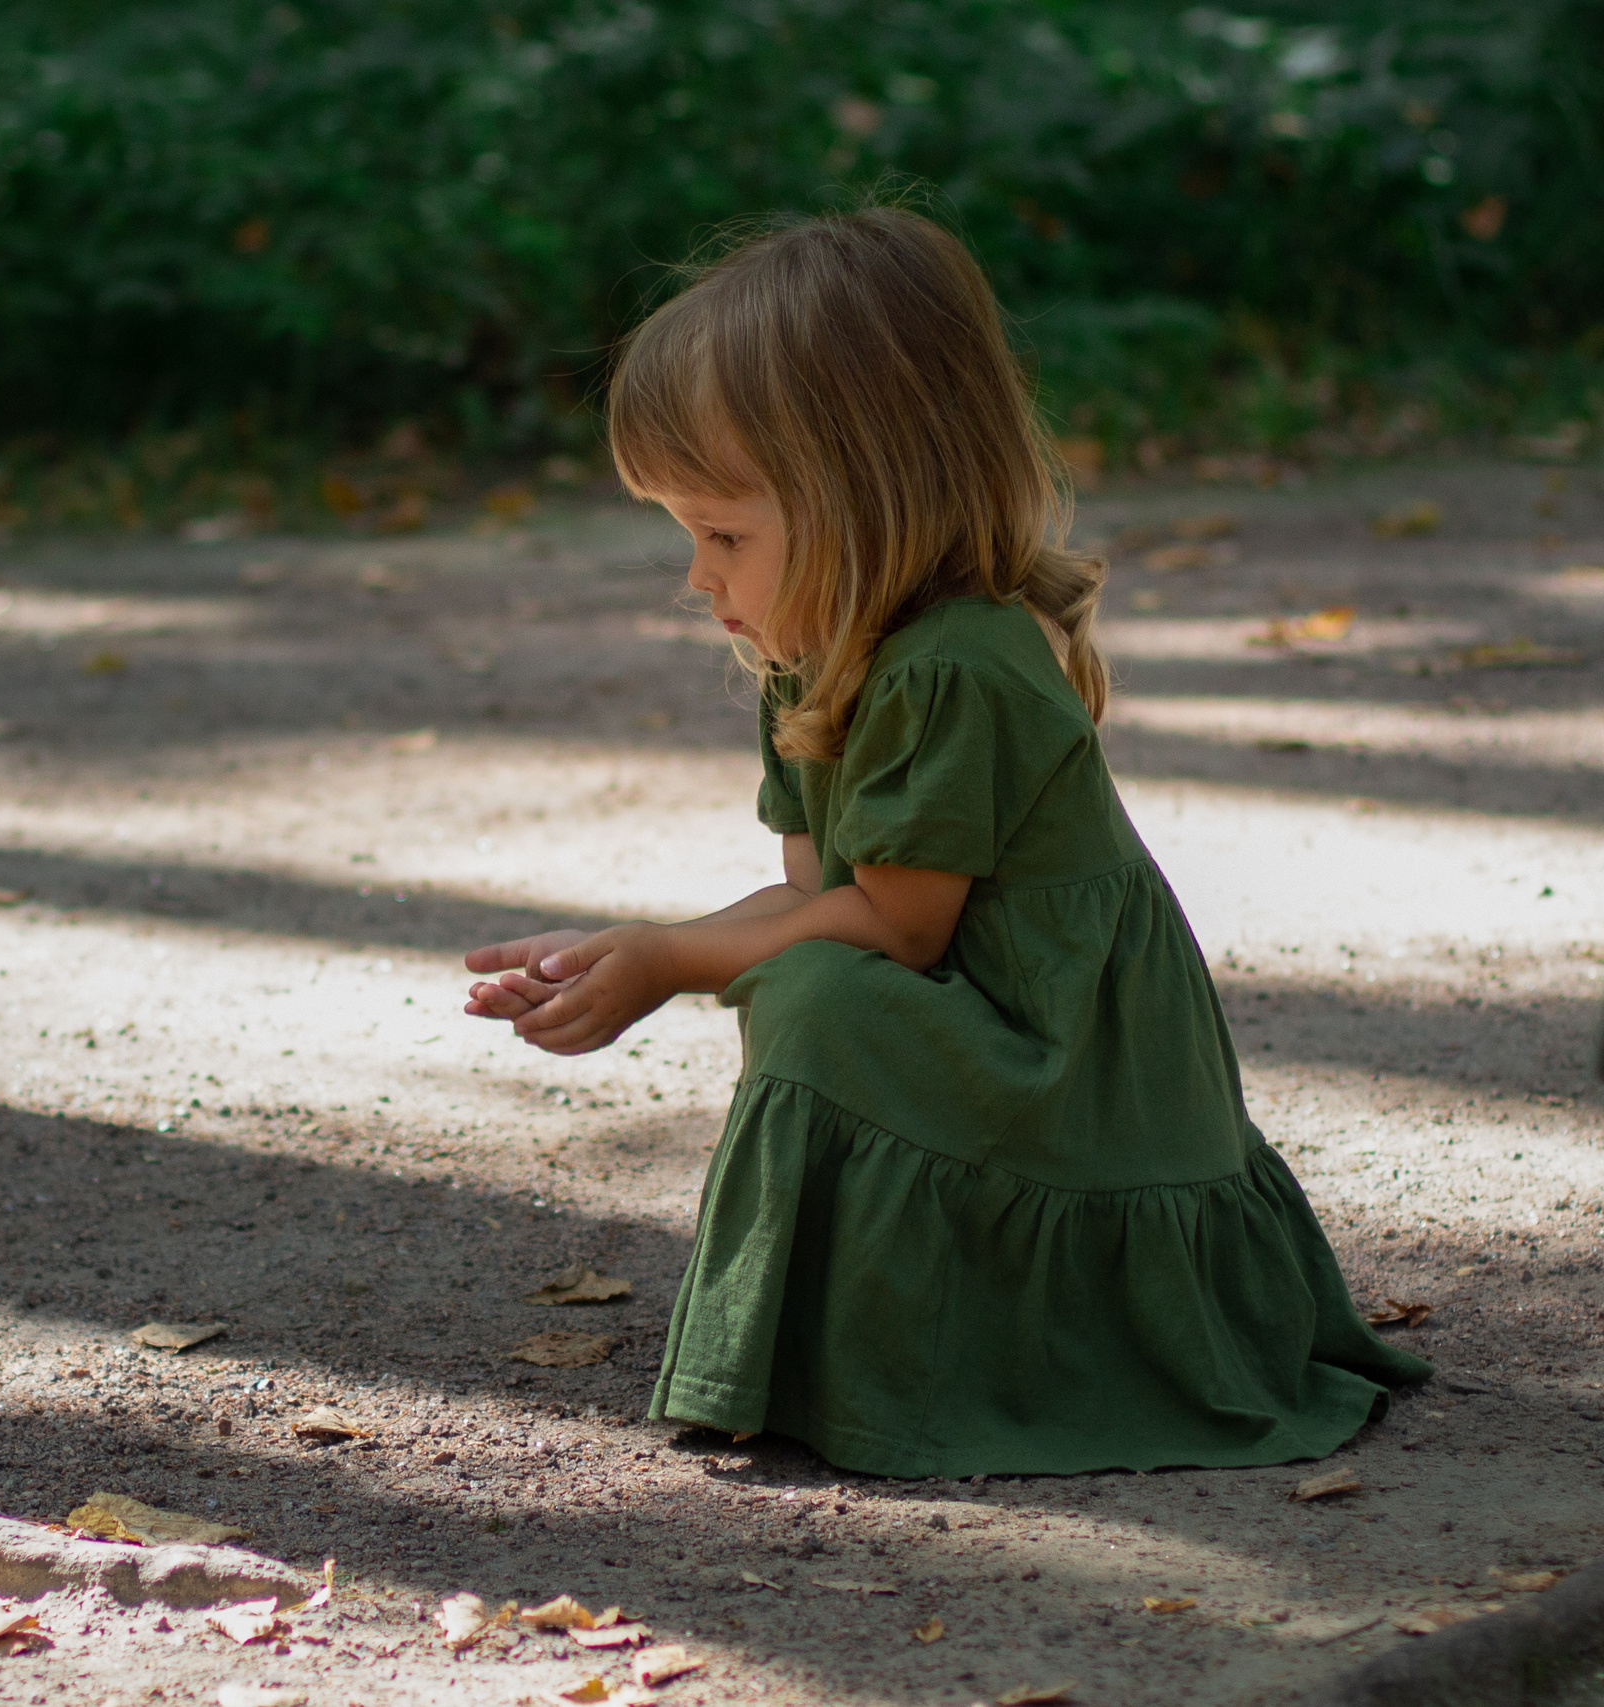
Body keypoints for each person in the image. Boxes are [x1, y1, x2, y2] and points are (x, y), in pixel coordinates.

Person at [462, 206, 1426, 1478]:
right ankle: (850, 1347)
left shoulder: (955, 663)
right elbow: (816, 893)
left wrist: (671, 962)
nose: (699, 580)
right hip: (979, 1030)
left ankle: (944, 1357)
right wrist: (629, 954)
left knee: (812, 990)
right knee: (800, 980)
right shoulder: (811, 664)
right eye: (685, 534)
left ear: (867, 498)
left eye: (725, 536)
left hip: (1072, 1074)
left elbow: (894, 931)